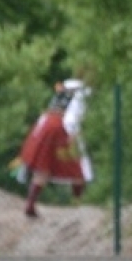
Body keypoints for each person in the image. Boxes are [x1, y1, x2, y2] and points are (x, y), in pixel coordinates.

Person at [15, 78, 92, 218]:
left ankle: (30, 204)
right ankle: (77, 203)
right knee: (77, 165)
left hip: (44, 127)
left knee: (43, 166)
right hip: (60, 131)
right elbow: (70, 121)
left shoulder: (60, 96)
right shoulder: (78, 98)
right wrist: (74, 138)